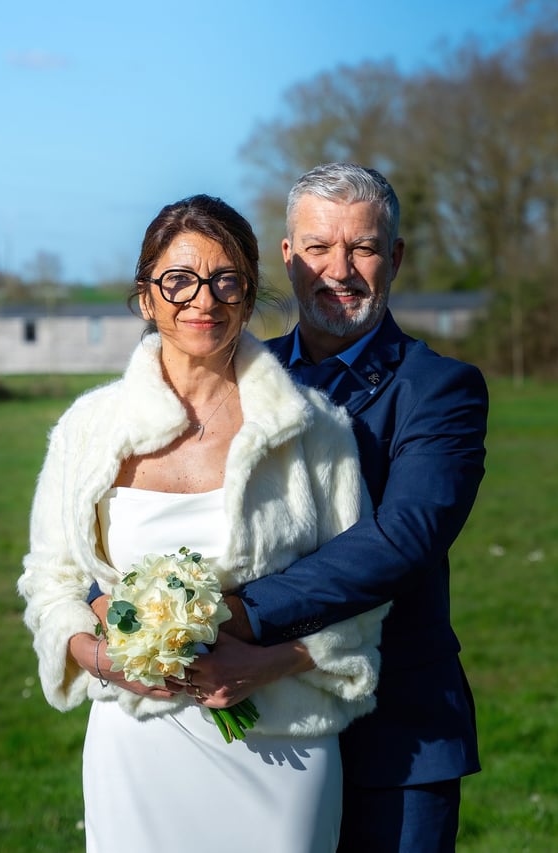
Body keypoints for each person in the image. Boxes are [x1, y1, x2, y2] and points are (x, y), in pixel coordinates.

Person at [17, 193, 388, 853]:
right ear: (146, 298)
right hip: (137, 744)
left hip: (283, 745)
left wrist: (265, 664)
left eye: (226, 281)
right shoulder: (88, 429)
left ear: (248, 297)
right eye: (179, 280)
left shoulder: (318, 432)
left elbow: (361, 596)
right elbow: (52, 580)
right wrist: (100, 657)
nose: (203, 299)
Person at [192, 163, 489, 852]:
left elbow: (404, 538)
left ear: (396, 257)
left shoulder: (439, 389)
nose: (340, 269)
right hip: (257, 729)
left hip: (394, 736)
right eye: (319, 247)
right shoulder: (234, 377)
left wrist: (243, 615)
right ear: (288, 256)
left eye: (363, 247)